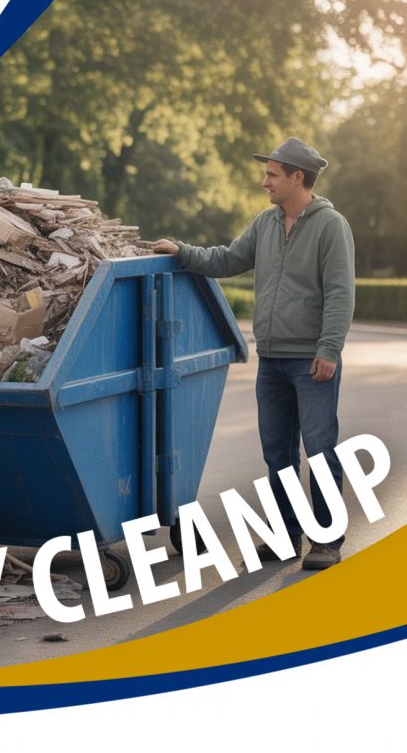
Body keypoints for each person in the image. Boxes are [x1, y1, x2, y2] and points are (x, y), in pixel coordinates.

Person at [152, 137, 355, 571]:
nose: (265, 182)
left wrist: (329, 348)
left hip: (311, 359)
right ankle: (284, 536)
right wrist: (183, 252)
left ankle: (327, 541)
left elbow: (340, 293)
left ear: (297, 177)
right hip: (273, 359)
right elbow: (227, 259)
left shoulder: (330, 225)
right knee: (277, 453)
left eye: (272, 174)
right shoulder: (265, 224)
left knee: (319, 449)